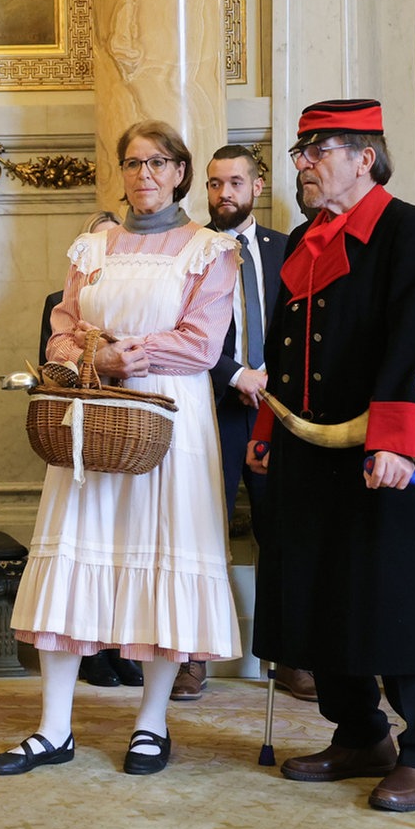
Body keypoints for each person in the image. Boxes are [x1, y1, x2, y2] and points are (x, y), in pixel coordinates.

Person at [0, 119, 240, 777]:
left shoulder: (210, 250)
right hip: (95, 415)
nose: (145, 176)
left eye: (159, 163)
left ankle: (152, 723)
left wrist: (133, 353)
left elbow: (203, 343)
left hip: (170, 416)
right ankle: (53, 727)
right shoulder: (93, 246)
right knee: (75, 554)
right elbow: (61, 335)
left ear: (181, 173)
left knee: (160, 557)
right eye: (133, 163)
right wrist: (93, 354)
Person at [247, 98, 415, 813]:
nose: (302, 163)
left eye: (316, 149)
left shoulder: (407, 231)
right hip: (308, 450)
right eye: (300, 151)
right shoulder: (308, 238)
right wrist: (268, 435)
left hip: (382, 450)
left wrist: (399, 440)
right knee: (318, 597)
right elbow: (283, 349)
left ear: (365, 156)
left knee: (393, 602)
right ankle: (360, 734)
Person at [175, 144, 301, 703]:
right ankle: (191, 660)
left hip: (278, 415)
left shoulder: (287, 249)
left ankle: (291, 657)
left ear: (256, 186)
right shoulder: (191, 252)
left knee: (285, 535)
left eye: (234, 183)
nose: (224, 194)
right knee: (202, 537)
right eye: (214, 184)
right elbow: (178, 329)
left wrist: (275, 375)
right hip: (212, 411)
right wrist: (235, 374)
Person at [39, 212, 144, 691]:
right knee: (86, 541)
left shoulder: (141, 305)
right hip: (76, 424)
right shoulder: (59, 303)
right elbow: (50, 360)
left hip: (131, 426)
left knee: (127, 539)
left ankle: (124, 647)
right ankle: (92, 652)